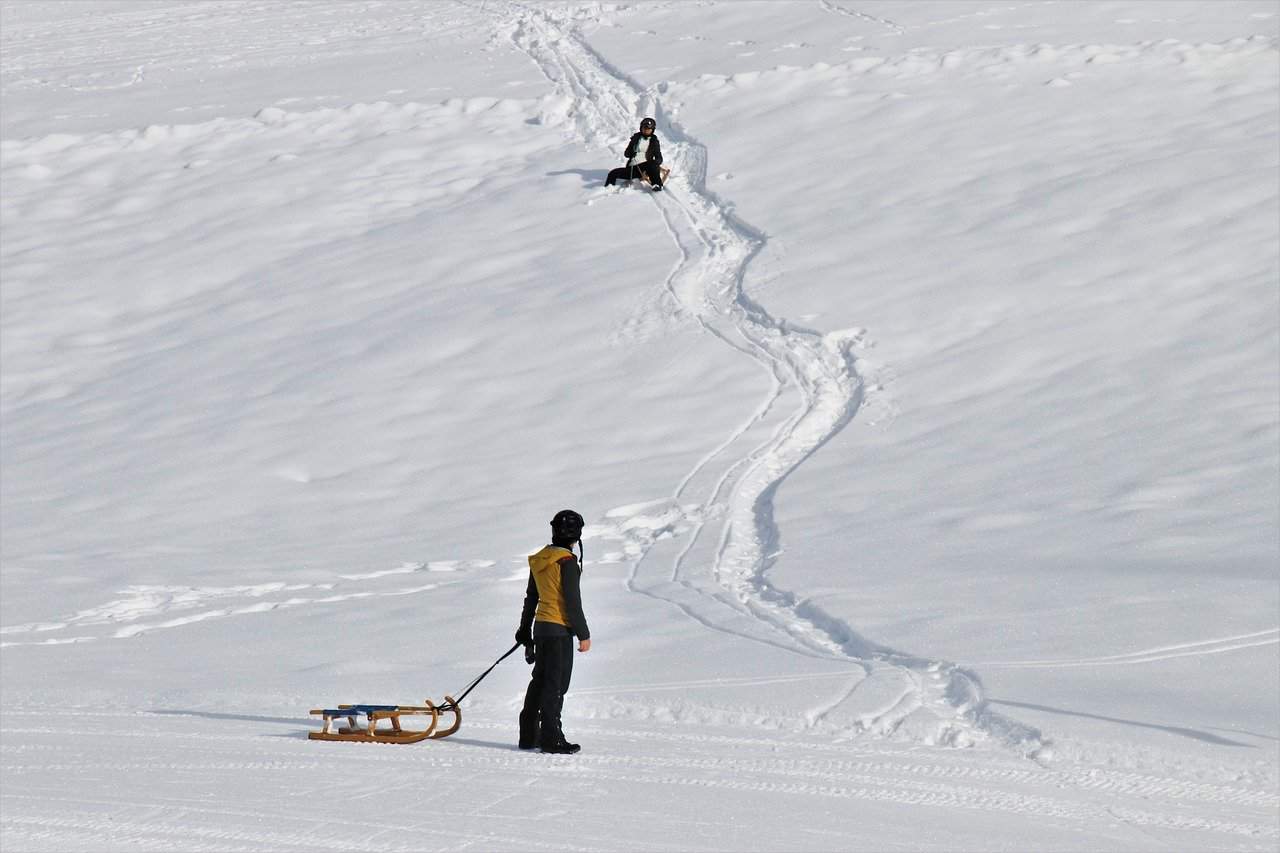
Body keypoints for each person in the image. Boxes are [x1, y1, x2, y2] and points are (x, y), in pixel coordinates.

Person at [515, 509, 591, 754]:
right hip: (559, 631)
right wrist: (583, 634)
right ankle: (551, 738)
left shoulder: (540, 559)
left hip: (541, 629)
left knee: (540, 681)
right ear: (576, 535)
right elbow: (572, 601)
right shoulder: (567, 562)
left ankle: (529, 735)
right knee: (556, 685)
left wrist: (525, 631)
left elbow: (531, 597)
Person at [605, 117, 664, 190]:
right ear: (641, 128)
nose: (646, 130)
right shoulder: (636, 138)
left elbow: (659, 158)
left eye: (648, 129)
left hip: (646, 167)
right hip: (633, 168)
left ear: (652, 130)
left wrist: (654, 163)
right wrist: (630, 153)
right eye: (644, 128)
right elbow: (626, 153)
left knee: (652, 164)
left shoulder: (654, 141)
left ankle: (657, 185)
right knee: (612, 173)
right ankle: (607, 189)